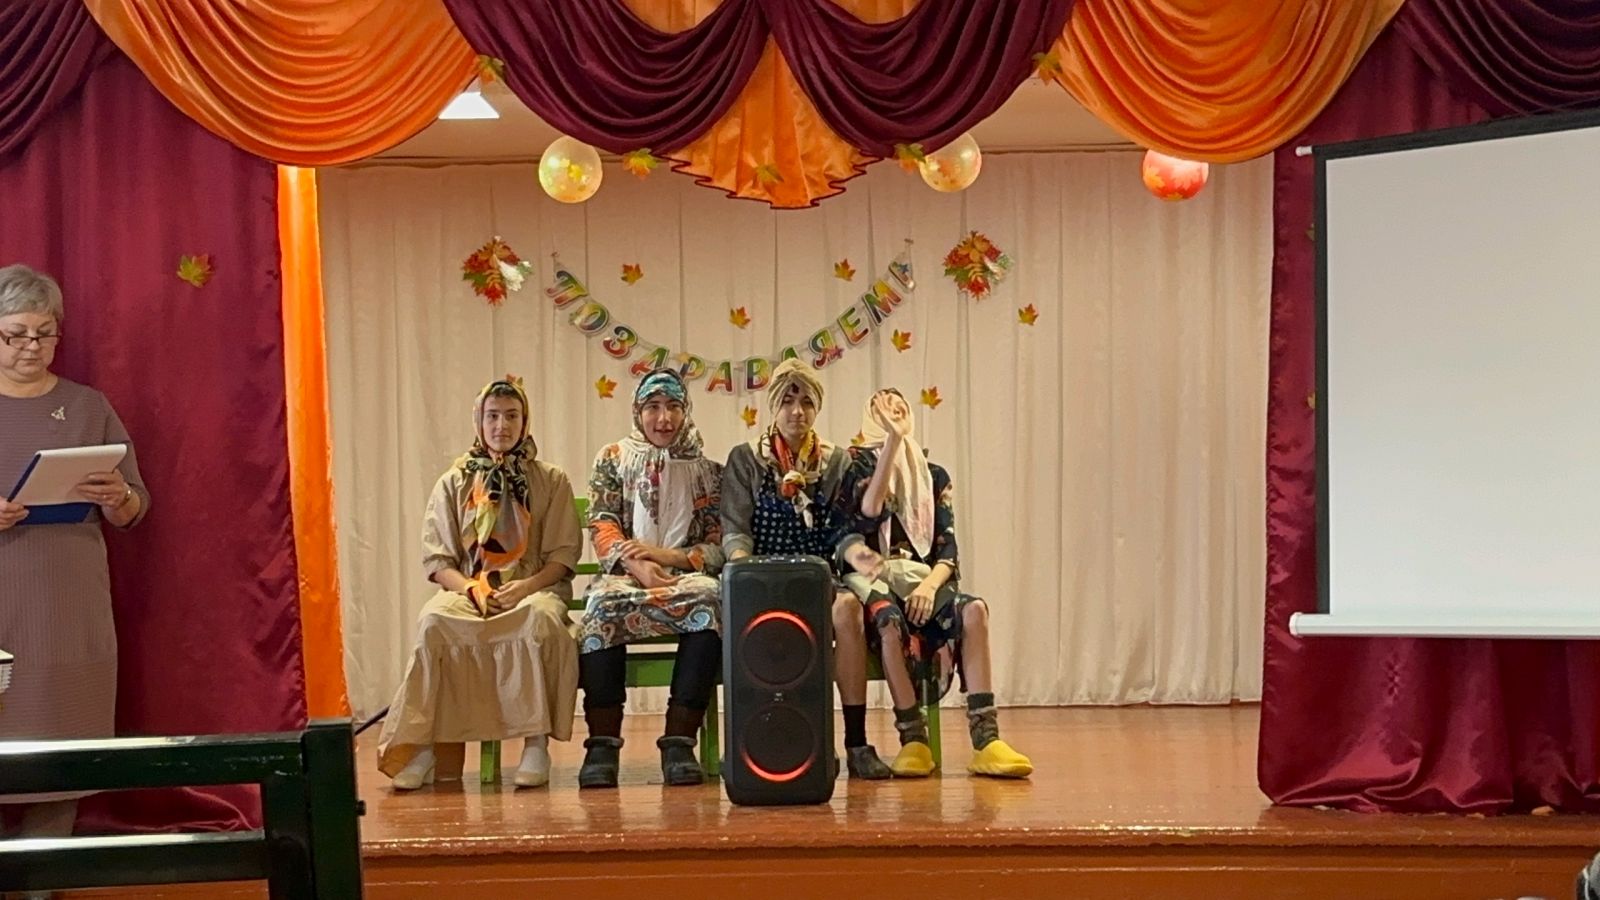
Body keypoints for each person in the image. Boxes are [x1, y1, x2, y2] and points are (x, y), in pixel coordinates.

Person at [0, 264, 150, 846]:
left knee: (61, 741)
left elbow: (135, 506)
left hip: (68, 599)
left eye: (44, 333)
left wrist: (118, 497)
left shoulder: (88, 406)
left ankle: (45, 876)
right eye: (15, 334)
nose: (31, 347)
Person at [377, 376, 582, 790]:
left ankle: (535, 743)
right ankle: (425, 748)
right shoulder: (454, 481)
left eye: (511, 416)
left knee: (540, 621)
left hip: (531, 588)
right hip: (468, 590)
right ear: (479, 421)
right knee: (434, 623)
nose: (501, 426)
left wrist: (525, 588)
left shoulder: (551, 479)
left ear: (525, 422)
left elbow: (563, 556)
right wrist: (470, 588)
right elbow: (438, 561)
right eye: (492, 416)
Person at [841, 388, 1031, 778]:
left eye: (900, 408)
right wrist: (892, 442)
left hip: (922, 578)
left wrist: (929, 587)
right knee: (888, 620)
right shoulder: (855, 466)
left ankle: (986, 739)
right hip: (874, 577)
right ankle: (914, 739)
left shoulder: (933, 475)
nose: (895, 413)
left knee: (974, 611)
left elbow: (948, 547)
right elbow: (868, 512)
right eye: (884, 408)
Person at [720, 358, 893, 779]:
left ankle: (856, 742)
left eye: (807, 402)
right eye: (787, 401)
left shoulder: (834, 461)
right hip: (761, 578)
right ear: (772, 406)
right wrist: (743, 569)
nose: (797, 411)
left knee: (848, 610)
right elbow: (735, 530)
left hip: (816, 577)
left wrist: (858, 554)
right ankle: (762, 742)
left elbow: (840, 529)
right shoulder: (747, 459)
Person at [576, 369, 725, 788]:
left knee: (710, 604)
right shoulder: (613, 458)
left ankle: (679, 741)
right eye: (653, 407)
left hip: (685, 576)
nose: (664, 418)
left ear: (686, 411)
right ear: (638, 412)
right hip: (627, 572)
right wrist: (638, 565)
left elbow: (717, 543)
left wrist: (668, 558)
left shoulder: (708, 471)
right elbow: (602, 522)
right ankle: (602, 744)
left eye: (674, 407)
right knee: (601, 607)